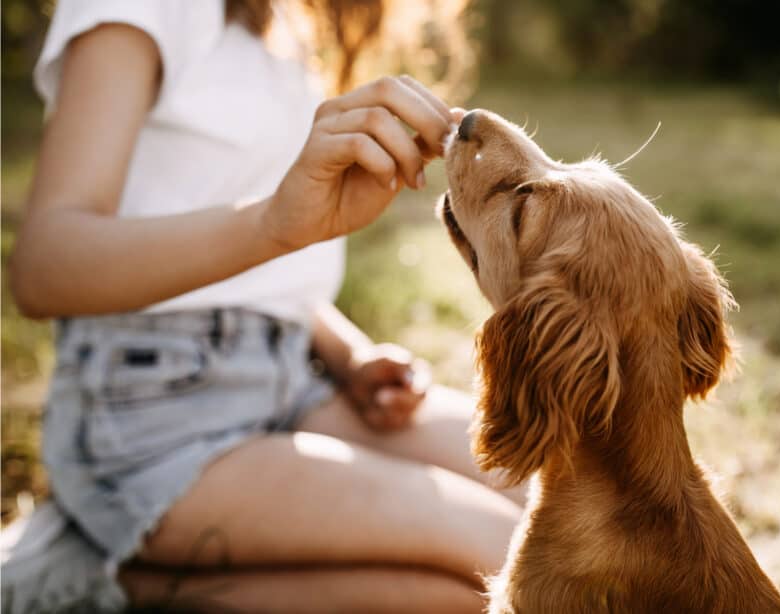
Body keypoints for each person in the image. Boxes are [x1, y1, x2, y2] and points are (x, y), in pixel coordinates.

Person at [0, 1, 522, 612]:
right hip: (153, 415)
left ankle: (108, 575)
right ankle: (90, 580)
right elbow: (44, 268)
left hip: (293, 382)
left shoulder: (284, 22)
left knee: (567, 502)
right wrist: (276, 222)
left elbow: (248, 279)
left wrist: (348, 355)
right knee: (509, 561)